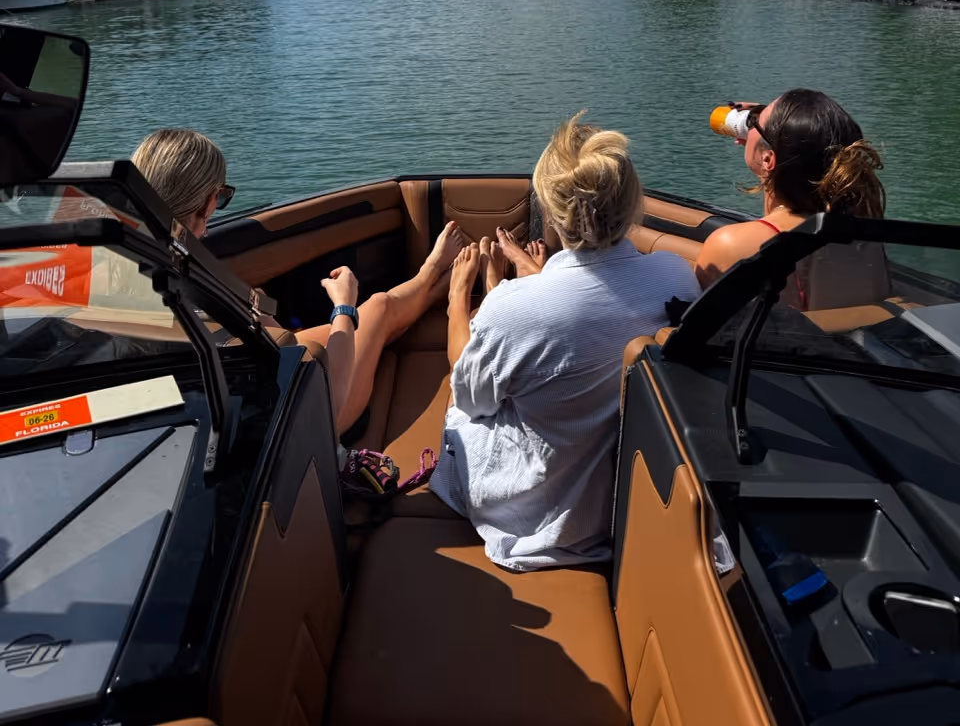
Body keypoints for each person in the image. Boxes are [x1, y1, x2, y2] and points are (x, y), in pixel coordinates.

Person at [430, 113, 700, 572]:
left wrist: (460, 299)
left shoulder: (518, 309)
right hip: (623, 504)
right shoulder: (677, 276)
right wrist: (529, 287)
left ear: (552, 215)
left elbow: (470, 397)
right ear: (635, 203)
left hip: (538, 517)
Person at [131, 129, 466, 433]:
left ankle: (435, 286)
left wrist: (256, 313)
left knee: (377, 314)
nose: (218, 206)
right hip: (310, 416)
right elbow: (329, 386)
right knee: (376, 308)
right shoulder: (193, 294)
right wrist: (343, 306)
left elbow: (270, 344)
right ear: (204, 202)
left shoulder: (131, 271)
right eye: (220, 196)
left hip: (253, 389)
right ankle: (433, 277)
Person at [694, 89, 886, 292]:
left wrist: (763, 130)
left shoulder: (730, 246)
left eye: (753, 124)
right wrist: (769, 128)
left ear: (768, 159)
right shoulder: (863, 238)